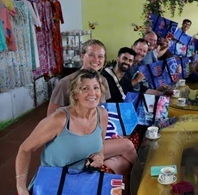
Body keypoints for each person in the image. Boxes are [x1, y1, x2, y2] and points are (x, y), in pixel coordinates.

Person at [16, 69, 136, 195]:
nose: (92, 93)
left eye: (95, 87)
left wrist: (100, 156)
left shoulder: (102, 114)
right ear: (75, 93)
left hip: (84, 183)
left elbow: (99, 145)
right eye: (84, 88)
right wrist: (21, 187)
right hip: (52, 188)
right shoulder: (59, 119)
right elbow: (25, 149)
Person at [48, 40, 137, 177]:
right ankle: (146, 177)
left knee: (121, 164)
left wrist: (111, 133)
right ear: (82, 55)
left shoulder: (102, 81)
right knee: (127, 145)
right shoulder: (65, 84)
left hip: (95, 138)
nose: (96, 60)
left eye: (100, 56)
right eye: (91, 55)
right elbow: (51, 120)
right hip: (74, 142)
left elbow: (102, 113)